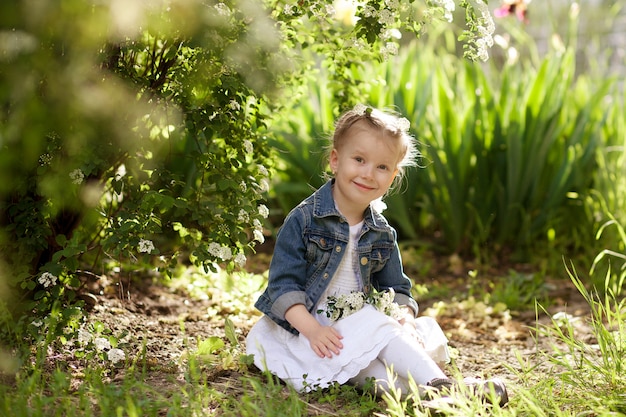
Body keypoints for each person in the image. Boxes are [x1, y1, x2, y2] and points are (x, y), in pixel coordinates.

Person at [246, 104, 508, 406]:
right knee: (363, 364)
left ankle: (438, 395)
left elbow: (397, 288)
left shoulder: (381, 232)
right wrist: (314, 331)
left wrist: (406, 320)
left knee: (377, 345)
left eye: (382, 167)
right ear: (335, 159)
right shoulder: (304, 220)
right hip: (307, 327)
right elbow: (283, 288)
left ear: (393, 176)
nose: (368, 174)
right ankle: (445, 389)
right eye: (359, 160)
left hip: (357, 324)